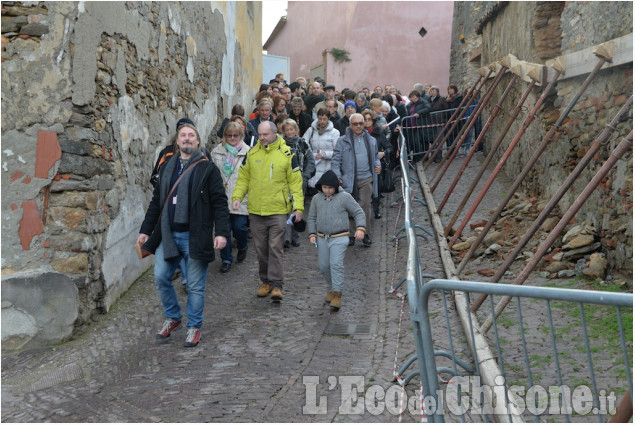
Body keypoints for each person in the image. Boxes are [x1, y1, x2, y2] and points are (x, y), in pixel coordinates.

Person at [137, 120, 229, 348]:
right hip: (168, 235)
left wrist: (222, 233)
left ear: (198, 141)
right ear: (177, 142)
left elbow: (219, 202)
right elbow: (156, 203)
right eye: (183, 136)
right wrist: (145, 230)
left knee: (196, 286)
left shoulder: (208, 169)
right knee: (160, 277)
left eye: (191, 135)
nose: (187, 138)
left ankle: (194, 327)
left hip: (194, 236)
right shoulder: (167, 167)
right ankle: (173, 317)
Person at [231, 121, 304, 301]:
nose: (262, 138)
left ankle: (277, 285)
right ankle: (265, 282)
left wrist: (298, 208)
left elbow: (295, 182)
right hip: (256, 211)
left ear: (274, 133)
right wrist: (237, 197)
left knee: (275, 247)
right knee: (261, 249)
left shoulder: (287, 153)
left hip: (278, 210)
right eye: (260, 135)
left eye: (265, 135)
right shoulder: (252, 153)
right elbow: (243, 179)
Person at [307, 170, 366, 309]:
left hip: (340, 237)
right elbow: (312, 218)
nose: (327, 190)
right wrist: (312, 234)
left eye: (330, 188)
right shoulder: (316, 199)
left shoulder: (345, 197)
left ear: (335, 187)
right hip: (322, 237)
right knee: (324, 265)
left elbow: (358, 211)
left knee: (336, 264)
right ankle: (331, 288)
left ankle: (337, 294)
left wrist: (360, 228)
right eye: (324, 187)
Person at [331, 113, 381, 247]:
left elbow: (375, 156)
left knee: (365, 205)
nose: (358, 126)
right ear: (350, 125)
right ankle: (351, 233)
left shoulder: (371, 140)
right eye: (355, 124)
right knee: (350, 207)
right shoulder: (342, 141)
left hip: (366, 178)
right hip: (349, 179)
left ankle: (365, 233)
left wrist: (378, 165)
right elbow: (336, 161)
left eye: (361, 123)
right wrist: (338, 176)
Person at [211, 122, 250, 274]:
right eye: (229, 135)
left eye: (235, 135)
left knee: (239, 227)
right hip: (221, 197)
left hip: (239, 197)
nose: (232, 138)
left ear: (240, 136)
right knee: (223, 230)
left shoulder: (248, 152)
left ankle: (242, 245)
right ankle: (226, 259)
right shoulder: (217, 152)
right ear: (225, 136)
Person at [282, 118, 316, 248]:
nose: (290, 132)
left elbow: (311, 161)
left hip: (299, 180)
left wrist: (306, 176)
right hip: (284, 181)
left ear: (296, 130)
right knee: (284, 208)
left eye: (292, 129)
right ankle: (285, 237)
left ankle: (295, 236)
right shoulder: (281, 144)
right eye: (287, 130)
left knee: (296, 208)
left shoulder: (302, 143)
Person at [362, 109, 392, 219]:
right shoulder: (359, 134)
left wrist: (383, 153)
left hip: (376, 165)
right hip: (363, 165)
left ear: (373, 120)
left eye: (369, 119)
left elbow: (389, 147)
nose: (367, 121)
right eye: (365, 119)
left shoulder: (378, 133)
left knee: (376, 188)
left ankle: (376, 209)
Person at [305, 108, 340, 196]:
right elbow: (303, 143)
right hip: (314, 163)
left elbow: (337, 151)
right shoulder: (311, 130)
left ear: (328, 119)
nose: (322, 121)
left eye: (324, 119)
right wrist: (310, 152)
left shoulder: (335, 133)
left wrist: (324, 154)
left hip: (327, 166)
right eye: (320, 119)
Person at [405, 90, 431, 162]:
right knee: (414, 143)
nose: (411, 99)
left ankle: (423, 158)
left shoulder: (423, 102)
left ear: (416, 97)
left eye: (412, 97)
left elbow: (428, 108)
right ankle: (417, 158)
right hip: (412, 126)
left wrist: (419, 113)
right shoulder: (410, 104)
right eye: (410, 97)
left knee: (422, 142)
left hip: (420, 125)